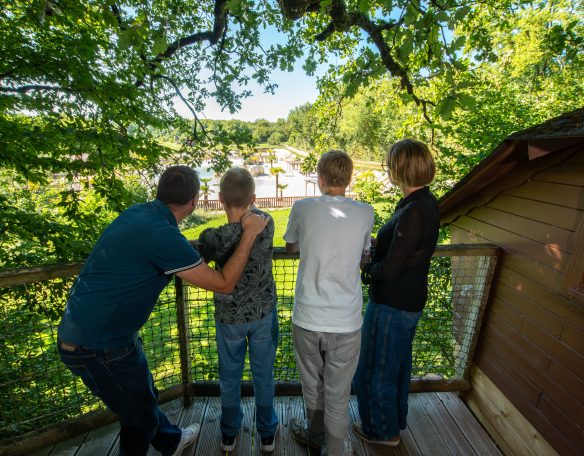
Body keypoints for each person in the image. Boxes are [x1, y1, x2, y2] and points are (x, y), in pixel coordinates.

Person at [57, 165, 268, 456]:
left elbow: (175, 252)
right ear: (195, 201)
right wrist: (248, 234)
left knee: (144, 396)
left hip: (98, 333)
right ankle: (165, 440)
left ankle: (171, 440)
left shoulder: (138, 214)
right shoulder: (163, 237)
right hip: (97, 345)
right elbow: (224, 284)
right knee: (139, 419)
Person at [284, 150, 374, 456]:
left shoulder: (302, 207)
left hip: (307, 315)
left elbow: (291, 245)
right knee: (338, 392)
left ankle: (318, 437)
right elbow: (364, 254)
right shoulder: (366, 211)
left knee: (313, 384)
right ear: (348, 179)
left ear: (320, 179)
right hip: (347, 320)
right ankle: (335, 448)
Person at [352, 139, 440, 447]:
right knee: (397, 366)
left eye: (390, 163)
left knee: (376, 368)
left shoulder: (414, 210)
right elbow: (406, 250)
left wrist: (364, 270)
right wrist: (381, 244)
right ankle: (394, 421)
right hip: (408, 299)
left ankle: (381, 431)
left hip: (392, 302)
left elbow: (390, 269)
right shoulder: (425, 202)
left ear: (399, 168)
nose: (387, 168)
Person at [196, 167, 279, 453]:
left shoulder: (212, 238)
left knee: (229, 376)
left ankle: (229, 434)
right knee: (263, 374)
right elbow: (251, 212)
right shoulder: (265, 223)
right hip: (263, 314)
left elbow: (200, 255)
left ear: (219, 198)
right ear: (253, 197)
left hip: (229, 317)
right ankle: (267, 433)